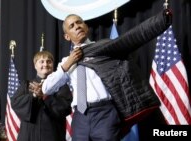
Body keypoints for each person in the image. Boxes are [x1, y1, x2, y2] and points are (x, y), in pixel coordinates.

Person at [42, 9, 172, 141]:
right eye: (72, 26)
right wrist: (67, 64)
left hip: (105, 114)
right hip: (80, 118)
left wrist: (161, 20)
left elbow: (133, 37)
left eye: (79, 22)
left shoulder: (105, 48)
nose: (77, 26)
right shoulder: (66, 62)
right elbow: (47, 88)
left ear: (86, 26)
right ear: (67, 36)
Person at [11, 51, 72, 141]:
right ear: (35, 65)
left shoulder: (61, 85)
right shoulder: (26, 85)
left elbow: (66, 108)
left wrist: (45, 96)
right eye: (42, 61)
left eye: (49, 61)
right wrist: (34, 95)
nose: (45, 64)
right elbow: (15, 103)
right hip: (28, 135)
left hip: (52, 134)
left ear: (53, 65)